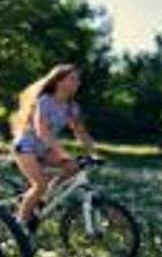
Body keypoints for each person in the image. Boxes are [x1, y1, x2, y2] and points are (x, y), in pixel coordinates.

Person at [10, 64, 98, 229]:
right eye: (73, 79)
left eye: (78, 80)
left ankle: (43, 200)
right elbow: (41, 130)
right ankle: (19, 226)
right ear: (59, 81)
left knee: (74, 169)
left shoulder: (72, 107)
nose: (77, 83)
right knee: (40, 184)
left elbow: (80, 132)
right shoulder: (43, 102)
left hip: (45, 149)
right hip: (26, 147)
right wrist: (61, 152)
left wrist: (94, 152)